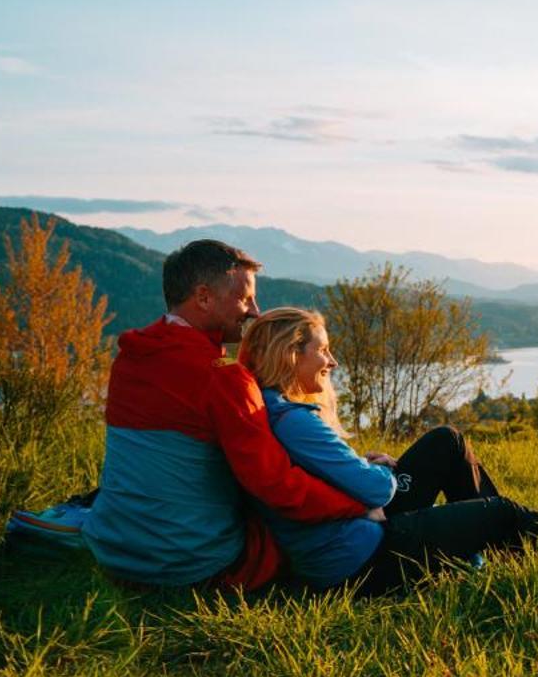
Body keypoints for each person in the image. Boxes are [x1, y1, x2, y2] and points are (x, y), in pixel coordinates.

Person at [81, 240, 370, 588]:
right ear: (203, 297)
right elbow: (278, 488)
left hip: (115, 551)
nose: (255, 312)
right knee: (289, 529)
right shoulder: (222, 377)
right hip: (191, 563)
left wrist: (232, 341)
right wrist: (357, 502)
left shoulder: (133, 357)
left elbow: (213, 364)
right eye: (245, 299)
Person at [237, 306, 538, 592]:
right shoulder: (296, 421)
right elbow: (378, 489)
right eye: (323, 350)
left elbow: (332, 476)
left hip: (354, 537)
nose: (333, 361)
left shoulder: (273, 409)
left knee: (446, 440)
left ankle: (488, 550)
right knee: (501, 512)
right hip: (361, 558)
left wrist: (367, 466)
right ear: (291, 354)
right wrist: (382, 471)